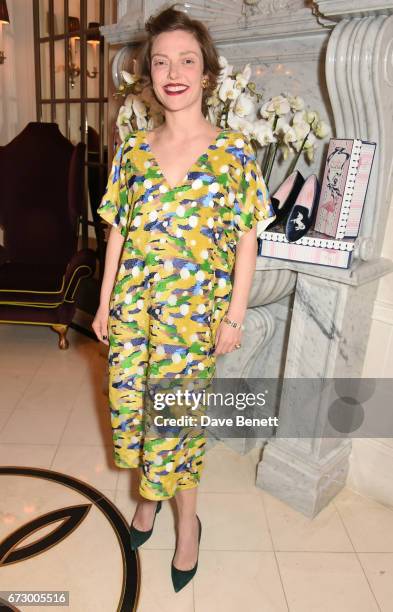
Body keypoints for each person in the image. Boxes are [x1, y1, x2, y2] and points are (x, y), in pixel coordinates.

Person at [92, 4, 275, 593]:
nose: (174, 71)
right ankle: (147, 504)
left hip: (192, 322)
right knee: (138, 415)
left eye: (187, 60)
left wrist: (235, 315)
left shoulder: (236, 154)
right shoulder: (133, 151)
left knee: (177, 423)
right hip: (132, 314)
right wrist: (102, 304)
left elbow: (247, 242)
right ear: (149, 74)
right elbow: (117, 231)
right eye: (161, 61)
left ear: (207, 72)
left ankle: (187, 523)